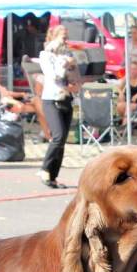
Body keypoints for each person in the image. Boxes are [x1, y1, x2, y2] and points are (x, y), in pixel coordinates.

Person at [36, 24, 78, 188]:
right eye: (62, 36)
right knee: (58, 136)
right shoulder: (46, 55)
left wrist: (73, 68)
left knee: (62, 140)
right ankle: (45, 169)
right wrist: (65, 64)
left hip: (66, 97)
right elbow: (54, 76)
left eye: (67, 36)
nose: (65, 39)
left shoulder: (68, 54)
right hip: (51, 99)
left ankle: (52, 176)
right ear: (53, 37)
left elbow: (75, 75)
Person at [0, 62, 49, 130]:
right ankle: (50, 128)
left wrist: (21, 94)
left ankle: (48, 133)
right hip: (7, 108)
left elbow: (8, 94)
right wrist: (17, 100)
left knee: (37, 108)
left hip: (11, 105)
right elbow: (4, 98)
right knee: (37, 102)